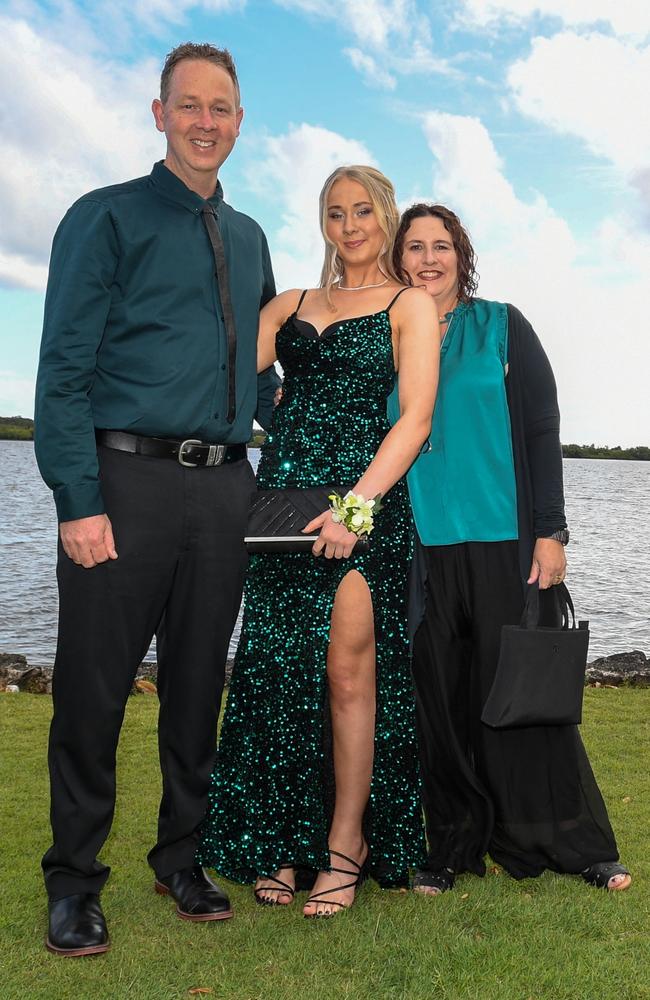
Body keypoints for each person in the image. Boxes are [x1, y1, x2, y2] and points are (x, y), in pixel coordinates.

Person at [34, 42, 281, 956]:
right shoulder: (104, 218)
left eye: (222, 107)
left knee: (192, 688)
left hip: (224, 491)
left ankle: (182, 855)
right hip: (122, 486)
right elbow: (60, 373)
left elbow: (255, 380)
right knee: (93, 693)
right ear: (159, 112)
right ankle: (73, 879)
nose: (205, 122)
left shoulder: (252, 235)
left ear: (241, 121)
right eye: (190, 106)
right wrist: (77, 499)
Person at [198, 166, 438, 917]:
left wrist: (355, 512)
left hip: (360, 511)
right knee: (276, 672)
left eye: (363, 210)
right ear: (324, 224)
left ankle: (345, 845)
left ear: (385, 217)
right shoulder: (292, 303)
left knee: (346, 676)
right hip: (277, 509)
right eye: (335, 213)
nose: (350, 225)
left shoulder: (411, 305)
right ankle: (279, 841)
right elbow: (229, 363)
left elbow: (415, 422)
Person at [388, 203, 631, 895]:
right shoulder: (391, 336)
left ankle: (577, 844)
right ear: (398, 259)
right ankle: (453, 846)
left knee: (525, 698)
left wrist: (551, 531)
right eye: (415, 247)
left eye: (442, 245)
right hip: (423, 552)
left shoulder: (501, 327)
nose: (428, 258)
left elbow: (540, 427)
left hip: (506, 544)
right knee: (443, 703)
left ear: (461, 255)